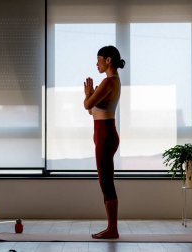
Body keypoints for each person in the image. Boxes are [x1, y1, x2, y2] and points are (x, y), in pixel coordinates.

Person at [84, 45, 125, 239]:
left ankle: (112, 229)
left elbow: (87, 105)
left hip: (105, 134)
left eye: (99, 59)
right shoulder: (111, 82)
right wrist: (91, 95)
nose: (96, 63)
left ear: (108, 60)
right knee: (105, 182)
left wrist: (88, 94)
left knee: (106, 183)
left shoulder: (108, 82)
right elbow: (92, 110)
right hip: (105, 132)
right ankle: (111, 228)